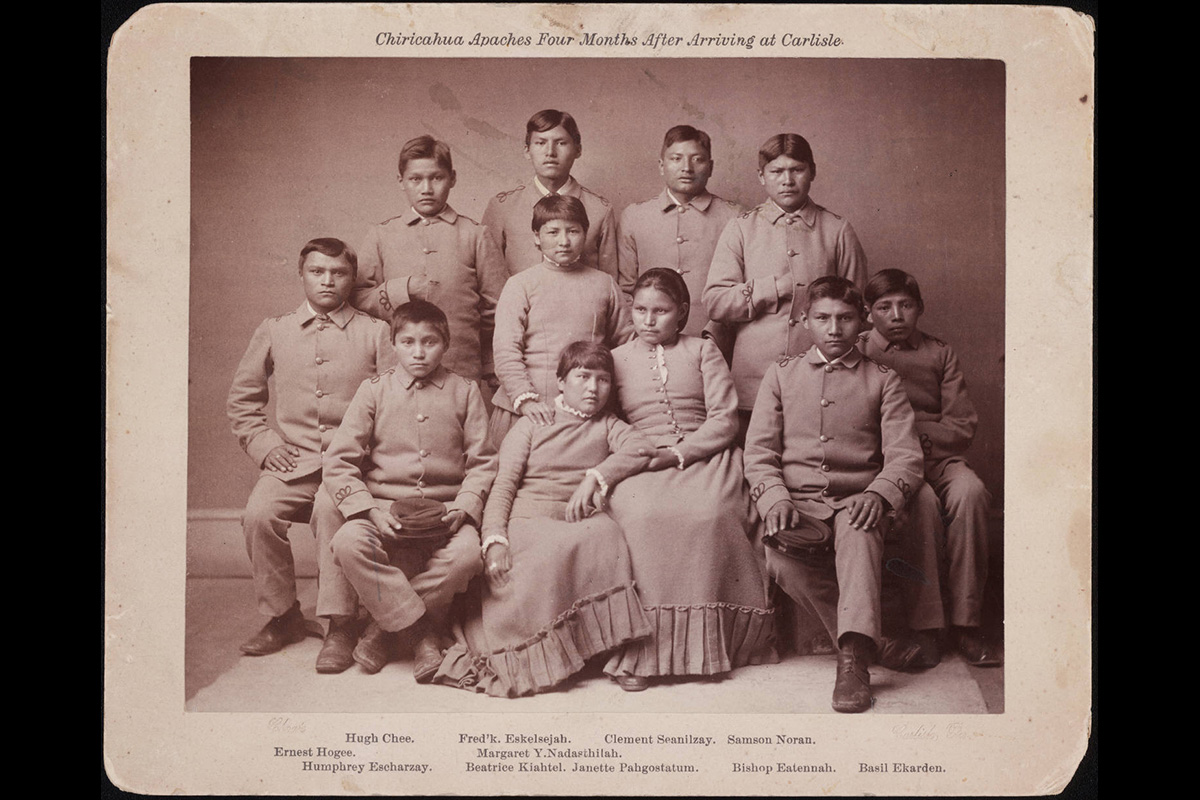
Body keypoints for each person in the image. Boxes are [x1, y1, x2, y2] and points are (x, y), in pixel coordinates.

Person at [433, 341, 655, 697]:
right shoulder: (533, 424)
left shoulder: (607, 424)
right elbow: (502, 486)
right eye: (582, 377)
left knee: (605, 535)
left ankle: (592, 650)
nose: (592, 388)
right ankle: (540, 659)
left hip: (577, 516)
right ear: (561, 382)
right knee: (545, 559)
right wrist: (494, 540)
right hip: (529, 516)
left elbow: (641, 448)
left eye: (602, 380)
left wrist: (595, 476)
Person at [744, 276, 924, 713]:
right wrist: (776, 500)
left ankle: (853, 663)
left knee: (860, 534)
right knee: (781, 560)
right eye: (822, 318)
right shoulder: (781, 375)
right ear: (805, 321)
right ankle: (873, 640)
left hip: (855, 498)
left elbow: (905, 457)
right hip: (798, 501)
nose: (833, 328)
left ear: (861, 322)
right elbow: (759, 452)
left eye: (845, 319)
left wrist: (879, 495)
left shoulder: (883, 380)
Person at [603, 269, 776, 690]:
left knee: (710, 513)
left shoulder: (702, 351)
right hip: (641, 459)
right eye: (640, 310)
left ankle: (712, 647)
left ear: (681, 313)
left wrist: (680, 452)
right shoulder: (615, 357)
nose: (648, 320)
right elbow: (607, 420)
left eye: (660, 311)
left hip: (705, 455)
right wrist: (637, 452)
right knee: (641, 516)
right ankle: (643, 652)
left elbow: (724, 420)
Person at [226, 237, 395, 666]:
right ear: (301, 275)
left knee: (329, 510)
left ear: (351, 278)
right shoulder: (275, 329)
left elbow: (395, 403)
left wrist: (367, 456)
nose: (328, 281)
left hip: (353, 467)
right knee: (259, 514)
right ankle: (282, 616)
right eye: (317, 272)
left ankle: (341, 624)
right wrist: (266, 446)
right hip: (293, 463)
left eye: (338, 273)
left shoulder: (375, 332)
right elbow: (243, 400)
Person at [312, 300, 498, 680]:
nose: (418, 352)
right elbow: (339, 461)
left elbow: (483, 462)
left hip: (444, 510)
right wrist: (368, 511)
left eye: (429, 342)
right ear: (393, 344)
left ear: (445, 344)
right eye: (408, 341)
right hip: (384, 507)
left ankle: (382, 628)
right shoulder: (374, 390)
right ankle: (419, 633)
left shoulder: (464, 391)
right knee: (348, 542)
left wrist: (464, 506)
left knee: (466, 557)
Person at [861, 269, 1000, 666]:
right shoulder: (857, 351)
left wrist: (913, 436)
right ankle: (928, 626)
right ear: (870, 314)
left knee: (970, 492)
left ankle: (966, 624)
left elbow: (961, 425)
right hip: (886, 464)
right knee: (920, 503)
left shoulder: (940, 353)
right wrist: (898, 447)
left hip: (939, 458)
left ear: (919, 309)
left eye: (906, 305)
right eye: (884, 307)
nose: (897, 315)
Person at [704, 133, 868, 438]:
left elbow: (860, 312)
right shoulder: (741, 228)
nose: (787, 180)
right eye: (777, 172)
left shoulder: (837, 230)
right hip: (754, 381)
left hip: (822, 378)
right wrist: (773, 288)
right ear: (761, 177)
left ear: (813, 172)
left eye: (797, 170)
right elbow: (715, 302)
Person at [352, 135, 506, 392]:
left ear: (452, 178)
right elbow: (356, 298)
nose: (426, 188)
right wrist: (402, 290)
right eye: (415, 179)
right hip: (396, 373)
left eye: (436, 178)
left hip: (461, 370)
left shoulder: (475, 235)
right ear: (401, 181)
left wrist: (487, 360)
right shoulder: (382, 235)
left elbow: (498, 307)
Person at [488, 194, 633, 445]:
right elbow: (506, 351)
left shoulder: (604, 284)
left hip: (588, 412)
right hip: (529, 411)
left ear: (585, 234)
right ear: (536, 236)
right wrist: (526, 399)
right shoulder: (520, 284)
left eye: (573, 231)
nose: (564, 241)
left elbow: (627, 346)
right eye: (553, 232)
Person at [617, 125, 743, 338]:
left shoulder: (734, 216)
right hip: (648, 341)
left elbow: (737, 290)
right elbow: (625, 290)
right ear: (661, 165)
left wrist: (714, 336)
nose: (687, 168)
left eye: (697, 159)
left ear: (710, 167)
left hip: (715, 340)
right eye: (676, 159)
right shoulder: (635, 216)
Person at [482, 109, 624, 288]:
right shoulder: (502, 207)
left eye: (561, 143)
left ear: (578, 150)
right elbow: (489, 280)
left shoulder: (600, 210)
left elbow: (609, 283)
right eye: (540, 143)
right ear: (527, 151)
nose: (550, 152)